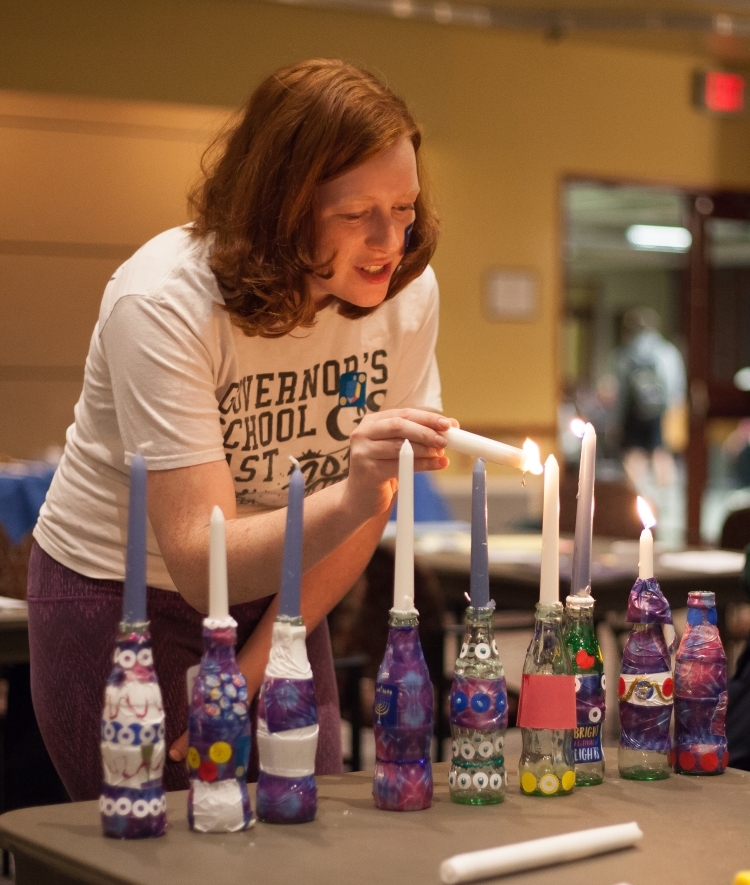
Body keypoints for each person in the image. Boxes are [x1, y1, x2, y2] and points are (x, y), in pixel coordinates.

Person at [28, 58, 456, 801]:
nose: (392, 240)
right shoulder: (164, 300)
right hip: (122, 594)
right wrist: (354, 496)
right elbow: (201, 556)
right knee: (150, 848)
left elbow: (365, 501)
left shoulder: (406, 296)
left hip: (288, 589)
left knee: (303, 830)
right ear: (283, 206)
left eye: (406, 207)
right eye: (358, 214)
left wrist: (256, 662)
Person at [613, 306, 686, 488]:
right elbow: (676, 387)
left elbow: (620, 391)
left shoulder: (625, 354)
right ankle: (663, 501)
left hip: (634, 412)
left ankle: (633, 499)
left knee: (634, 454)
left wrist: (617, 419)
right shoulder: (667, 352)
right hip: (660, 410)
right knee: (661, 452)